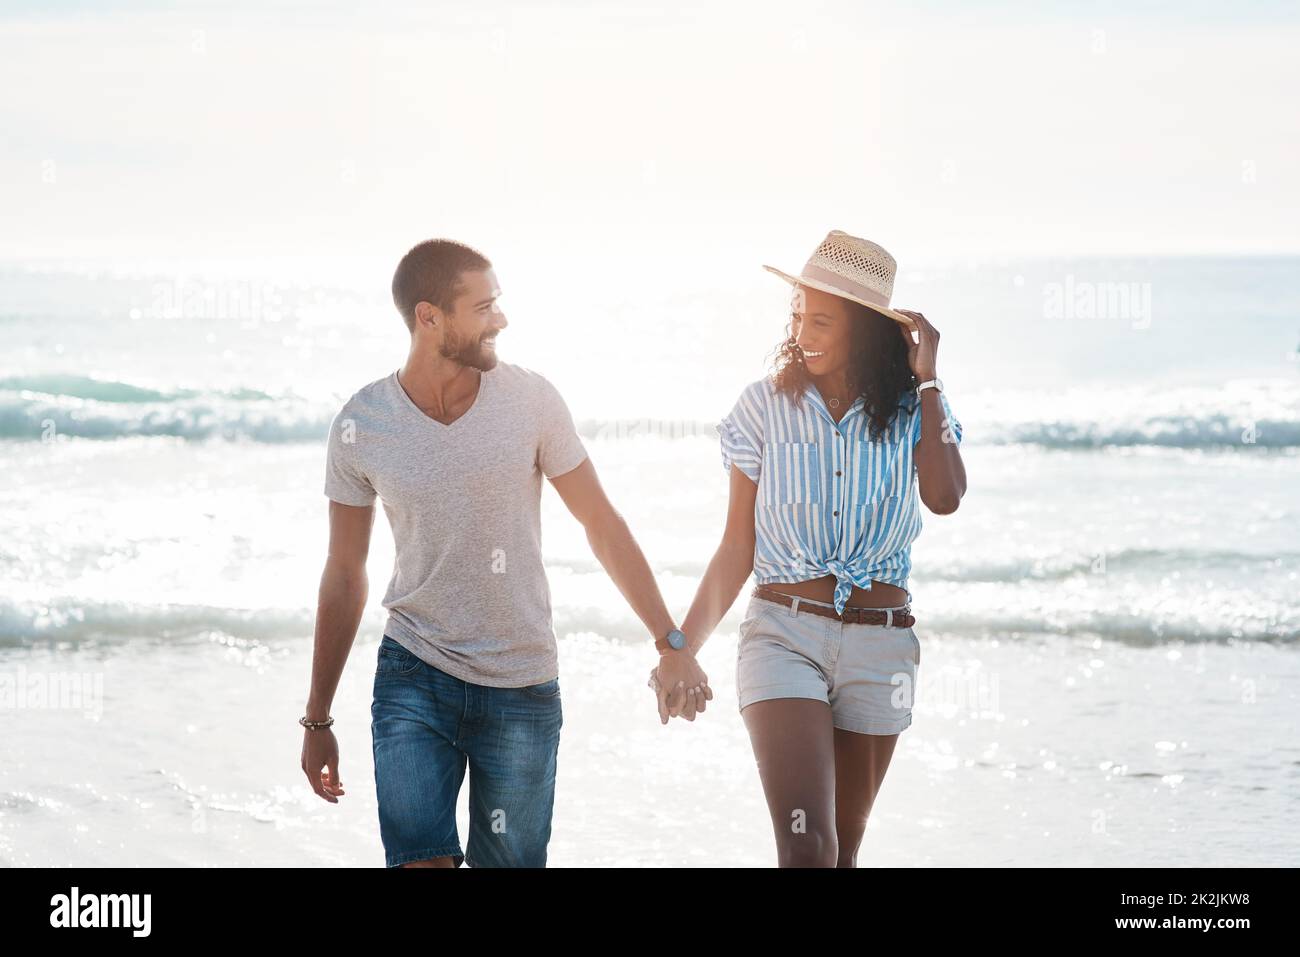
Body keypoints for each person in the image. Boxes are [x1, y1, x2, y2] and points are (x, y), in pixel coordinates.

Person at [300, 238, 711, 868]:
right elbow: (344, 573)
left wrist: (670, 641)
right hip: (413, 673)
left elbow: (600, 522)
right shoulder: (363, 425)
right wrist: (318, 717)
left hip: (520, 685)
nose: (501, 320)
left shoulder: (530, 401)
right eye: (485, 307)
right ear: (429, 317)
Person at [651, 229, 967, 866]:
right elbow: (737, 547)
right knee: (805, 845)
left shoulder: (914, 408)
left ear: (868, 330)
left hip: (882, 645)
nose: (802, 333)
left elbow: (945, 494)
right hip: (783, 637)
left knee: (841, 853)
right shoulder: (763, 407)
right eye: (796, 316)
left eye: (821, 319)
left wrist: (928, 382)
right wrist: (679, 648)